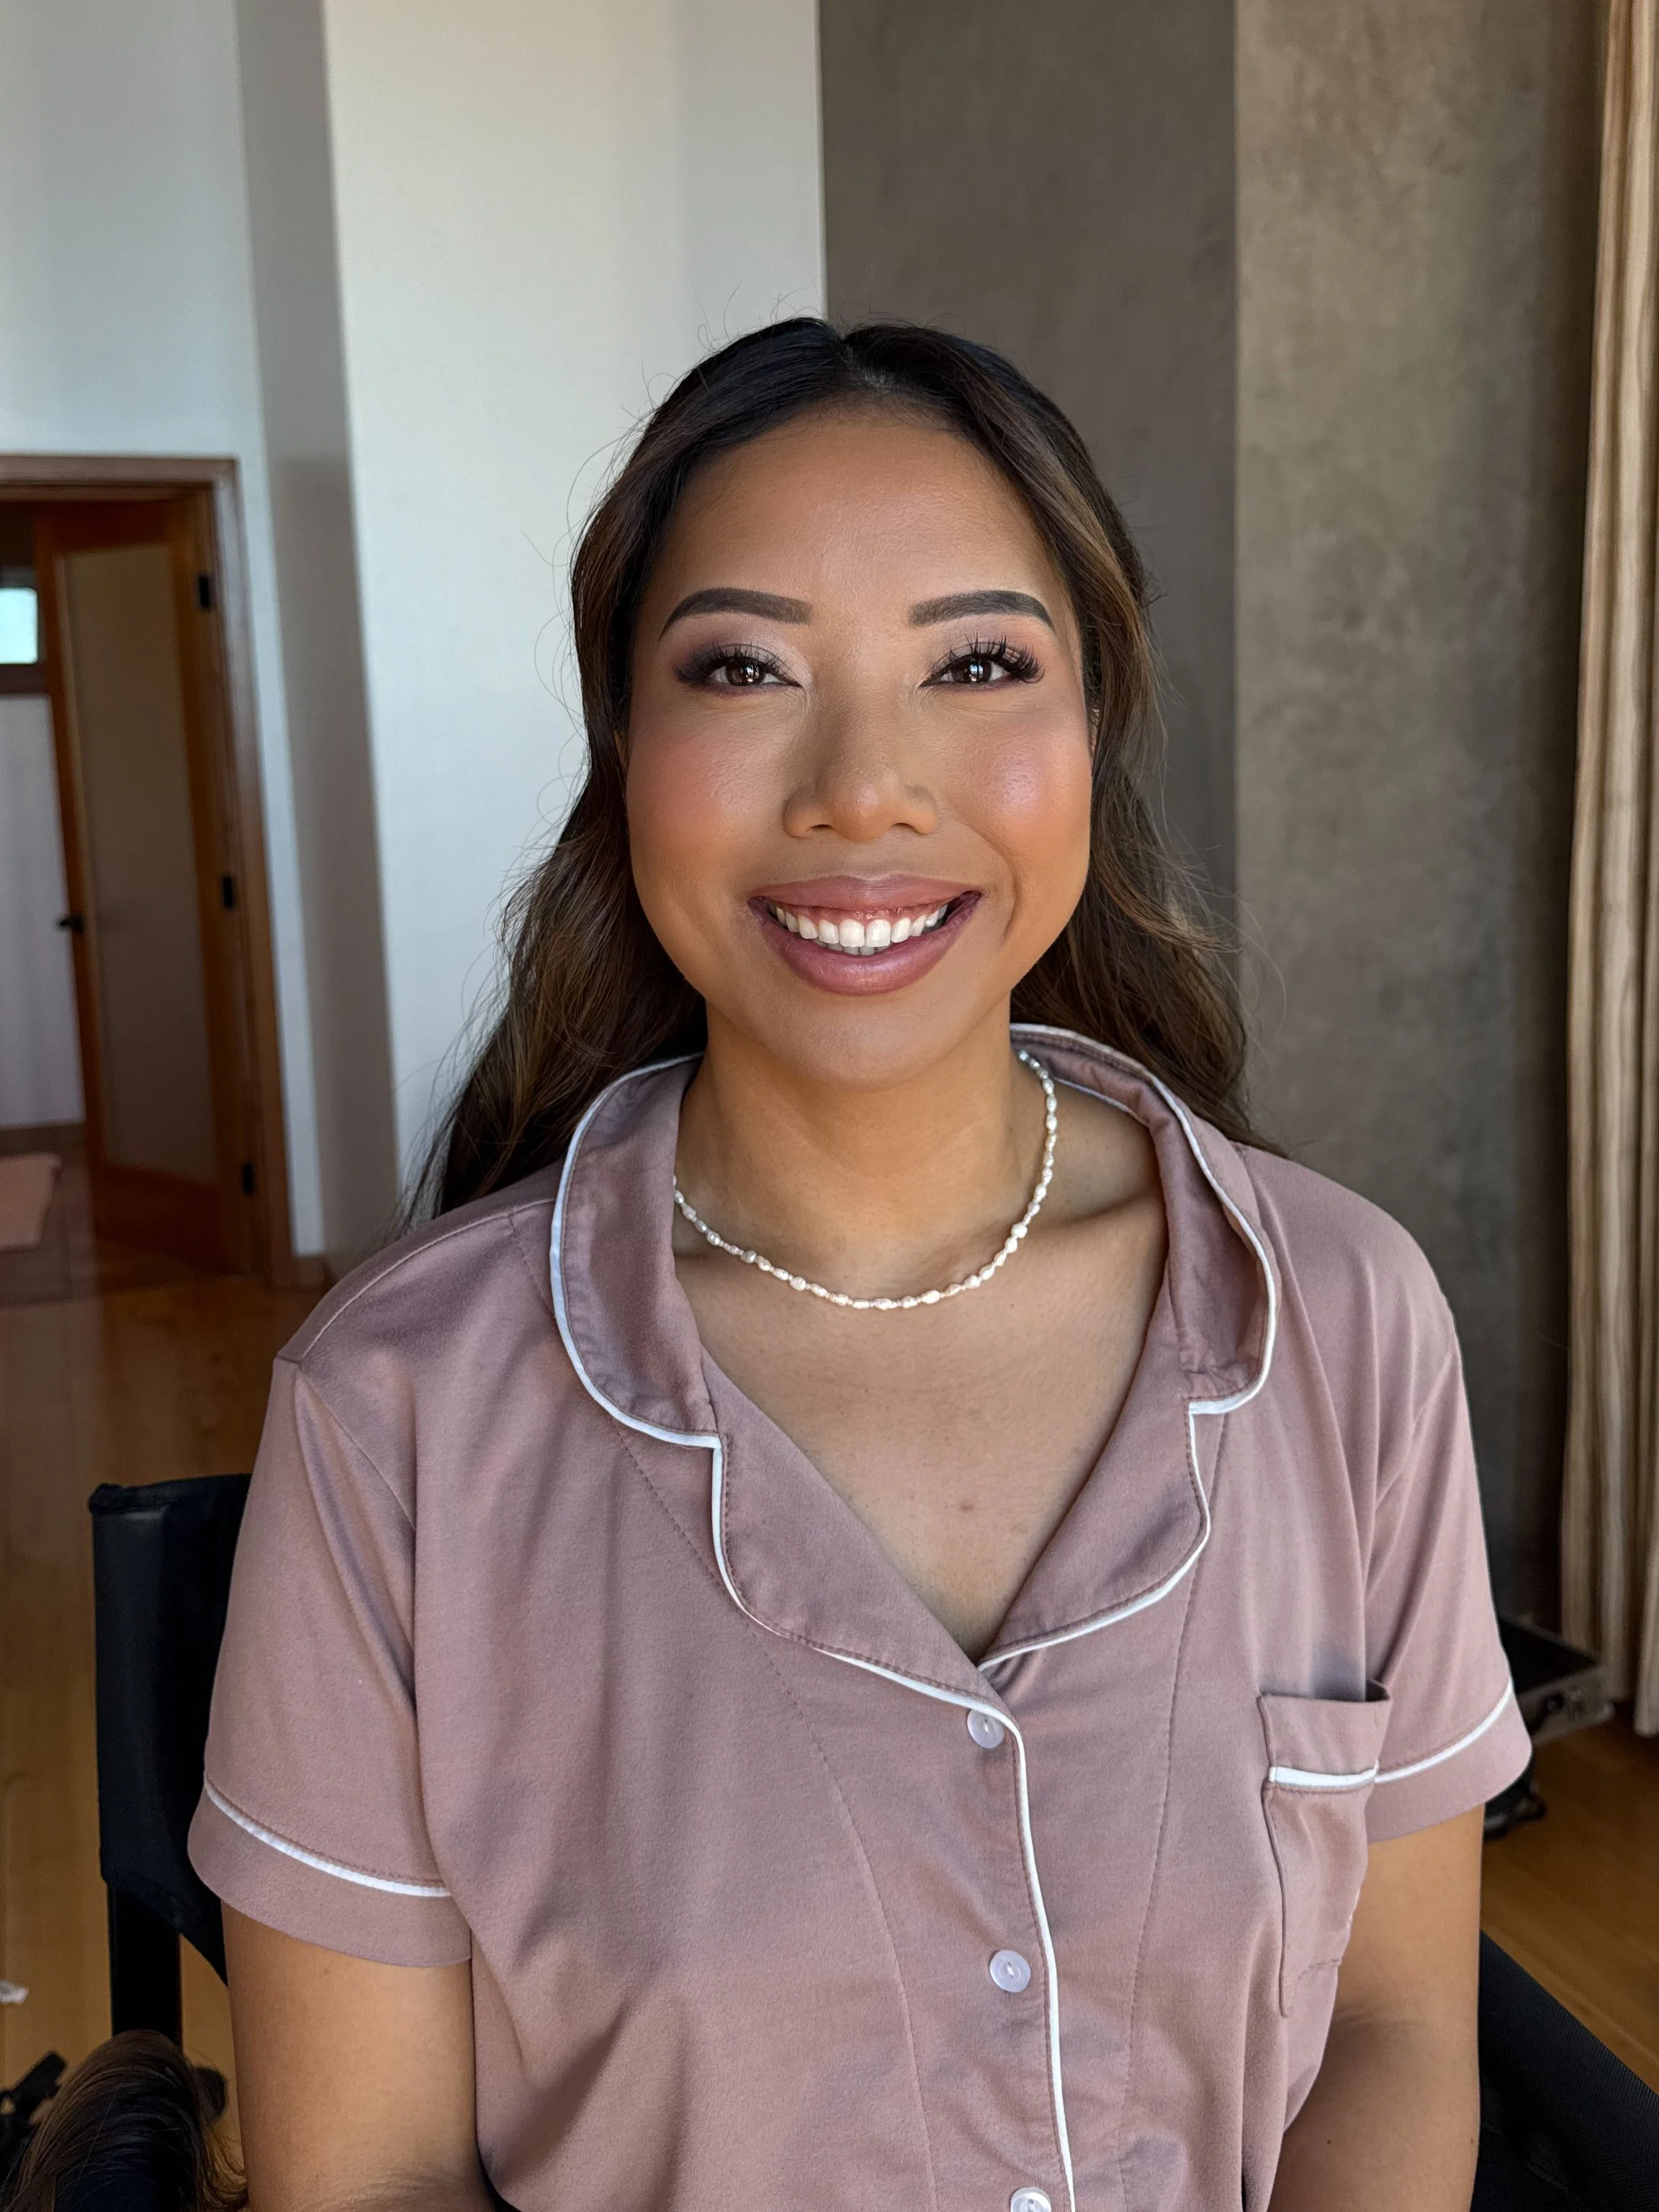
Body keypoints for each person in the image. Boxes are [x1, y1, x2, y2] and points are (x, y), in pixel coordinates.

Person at [189, 320, 1529, 2212]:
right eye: (743, 668)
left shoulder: (1346, 1318)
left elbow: (1391, 2031)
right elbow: (367, 2173)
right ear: (624, 748)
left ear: (1092, 729)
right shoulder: (399, 1416)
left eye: (977, 663)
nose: (864, 789)